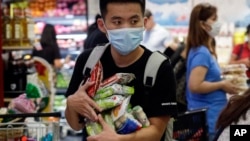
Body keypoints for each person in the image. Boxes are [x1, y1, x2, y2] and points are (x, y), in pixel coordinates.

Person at [65, 0, 178, 141]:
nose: (126, 28)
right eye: (117, 22)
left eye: (134, 21)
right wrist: (71, 104)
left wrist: (119, 139)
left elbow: (156, 132)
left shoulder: (159, 67)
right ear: (102, 25)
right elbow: (76, 125)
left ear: (144, 23)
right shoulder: (88, 61)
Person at [185, 3, 237, 141]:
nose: (218, 23)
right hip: (208, 119)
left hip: (212, 116)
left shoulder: (204, 49)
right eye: (214, 19)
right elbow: (195, 85)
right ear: (202, 24)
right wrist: (222, 85)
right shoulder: (202, 52)